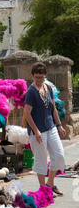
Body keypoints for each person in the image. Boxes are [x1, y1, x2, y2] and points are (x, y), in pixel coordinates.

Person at [23, 62, 66, 196]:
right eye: (36, 77)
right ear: (32, 76)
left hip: (51, 127)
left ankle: (50, 184)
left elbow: (53, 108)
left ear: (45, 76)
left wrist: (59, 126)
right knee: (41, 161)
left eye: (41, 77)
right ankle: (44, 190)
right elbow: (27, 114)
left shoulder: (48, 87)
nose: (39, 80)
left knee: (59, 156)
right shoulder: (31, 92)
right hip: (38, 130)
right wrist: (36, 131)